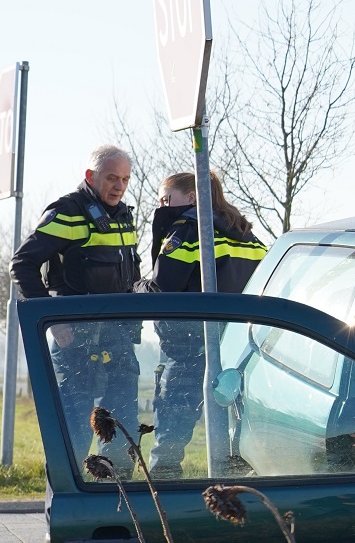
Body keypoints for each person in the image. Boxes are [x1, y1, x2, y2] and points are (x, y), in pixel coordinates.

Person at [9, 145, 140, 452]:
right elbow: (21, 264)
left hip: (118, 338)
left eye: (125, 179)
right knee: (73, 432)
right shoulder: (67, 211)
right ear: (90, 176)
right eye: (111, 178)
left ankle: (114, 490)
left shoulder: (123, 216)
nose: (119, 186)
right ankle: (73, 496)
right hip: (76, 342)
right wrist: (52, 321)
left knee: (121, 425)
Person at [148, 170, 267, 476]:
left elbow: (163, 288)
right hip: (236, 344)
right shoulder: (247, 234)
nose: (162, 205)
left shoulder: (186, 230)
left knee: (172, 419)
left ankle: (163, 489)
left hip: (187, 342)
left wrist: (136, 288)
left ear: (191, 197)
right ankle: (233, 488)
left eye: (166, 198)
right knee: (233, 420)